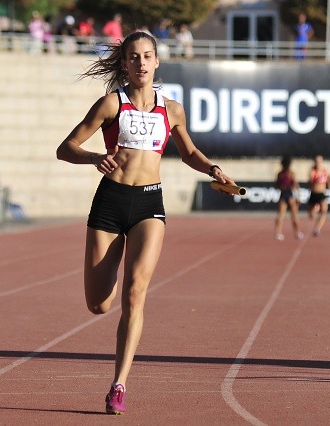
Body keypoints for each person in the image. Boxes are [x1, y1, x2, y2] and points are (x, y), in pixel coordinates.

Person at [55, 31, 236, 415]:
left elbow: (188, 153)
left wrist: (214, 170)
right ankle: (113, 265)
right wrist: (93, 159)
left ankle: (119, 384)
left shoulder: (171, 110)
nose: (140, 63)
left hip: (149, 203)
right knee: (99, 305)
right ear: (124, 63)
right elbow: (65, 147)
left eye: (147, 56)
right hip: (110, 202)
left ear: (157, 62)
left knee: (135, 295)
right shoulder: (110, 104)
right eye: (133, 57)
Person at [274, 156, 303, 241]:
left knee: (281, 215)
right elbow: (295, 185)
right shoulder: (291, 173)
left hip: (283, 194)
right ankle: (297, 232)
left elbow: (277, 185)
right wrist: (298, 197)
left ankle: (278, 233)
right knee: (294, 215)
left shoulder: (280, 174)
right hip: (289, 194)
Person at [307, 155, 330, 237]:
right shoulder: (313, 171)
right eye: (316, 161)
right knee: (311, 216)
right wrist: (315, 180)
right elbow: (310, 182)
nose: (318, 163)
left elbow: (328, 180)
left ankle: (317, 229)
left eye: (319, 161)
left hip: (321, 194)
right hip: (314, 194)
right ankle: (315, 209)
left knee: (324, 210)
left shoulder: (325, 170)